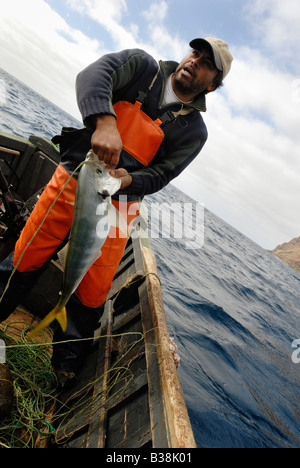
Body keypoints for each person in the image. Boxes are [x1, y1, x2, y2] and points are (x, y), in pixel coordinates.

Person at [0, 37, 233, 387]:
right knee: (25, 255)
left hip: (119, 206)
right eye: (195, 53)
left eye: (205, 63)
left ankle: (64, 367)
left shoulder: (194, 131)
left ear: (212, 85)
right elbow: (94, 75)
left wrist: (129, 181)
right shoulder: (142, 68)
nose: (194, 61)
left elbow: (163, 174)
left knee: (92, 292)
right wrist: (105, 121)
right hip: (74, 181)